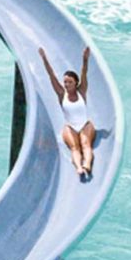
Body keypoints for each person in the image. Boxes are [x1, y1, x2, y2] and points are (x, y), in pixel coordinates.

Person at [39, 45, 95, 179]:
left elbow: (84, 72)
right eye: (65, 82)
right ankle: (79, 167)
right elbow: (51, 75)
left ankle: (87, 164)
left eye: (70, 82)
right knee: (75, 147)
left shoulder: (82, 91)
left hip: (85, 125)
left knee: (86, 144)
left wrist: (85, 59)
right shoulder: (61, 94)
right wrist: (44, 58)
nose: (66, 84)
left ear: (76, 83)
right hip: (70, 127)